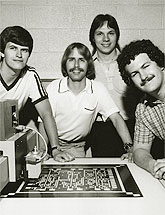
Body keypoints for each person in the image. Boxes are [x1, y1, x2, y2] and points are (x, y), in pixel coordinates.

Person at [39, 42, 133, 161]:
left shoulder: (98, 89)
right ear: (65, 64)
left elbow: (116, 118)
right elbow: (43, 121)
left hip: (75, 147)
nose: (76, 65)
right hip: (50, 143)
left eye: (81, 60)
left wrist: (130, 148)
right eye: (71, 59)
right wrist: (43, 150)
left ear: (88, 64)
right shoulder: (53, 87)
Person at [0, 25, 73, 162]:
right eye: (13, 48)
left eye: (24, 50)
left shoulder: (30, 76)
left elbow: (46, 114)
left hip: (7, 141)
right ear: (2, 52)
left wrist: (55, 149)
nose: (19, 55)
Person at [88, 14, 140, 157]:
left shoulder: (130, 64)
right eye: (100, 34)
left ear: (117, 36)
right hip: (101, 132)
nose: (106, 39)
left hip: (134, 128)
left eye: (111, 33)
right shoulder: (86, 68)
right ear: (92, 38)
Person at [117, 39, 165, 179]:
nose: (143, 76)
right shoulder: (143, 109)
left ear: (160, 64)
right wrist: (153, 166)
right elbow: (140, 150)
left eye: (146, 66)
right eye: (134, 74)